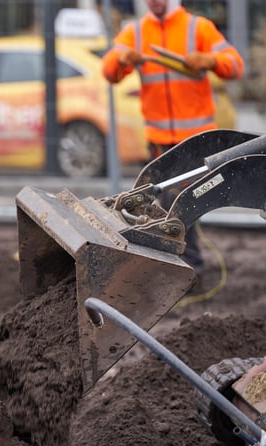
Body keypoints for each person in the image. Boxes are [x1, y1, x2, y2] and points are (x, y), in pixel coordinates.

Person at [101, 0, 244, 284]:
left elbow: (235, 65)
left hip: (195, 140)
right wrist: (122, 59)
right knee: (163, 206)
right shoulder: (137, 33)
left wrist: (211, 60)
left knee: (180, 204)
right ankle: (180, 267)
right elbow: (109, 70)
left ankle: (187, 270)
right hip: (159, 141)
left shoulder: (198, 28)